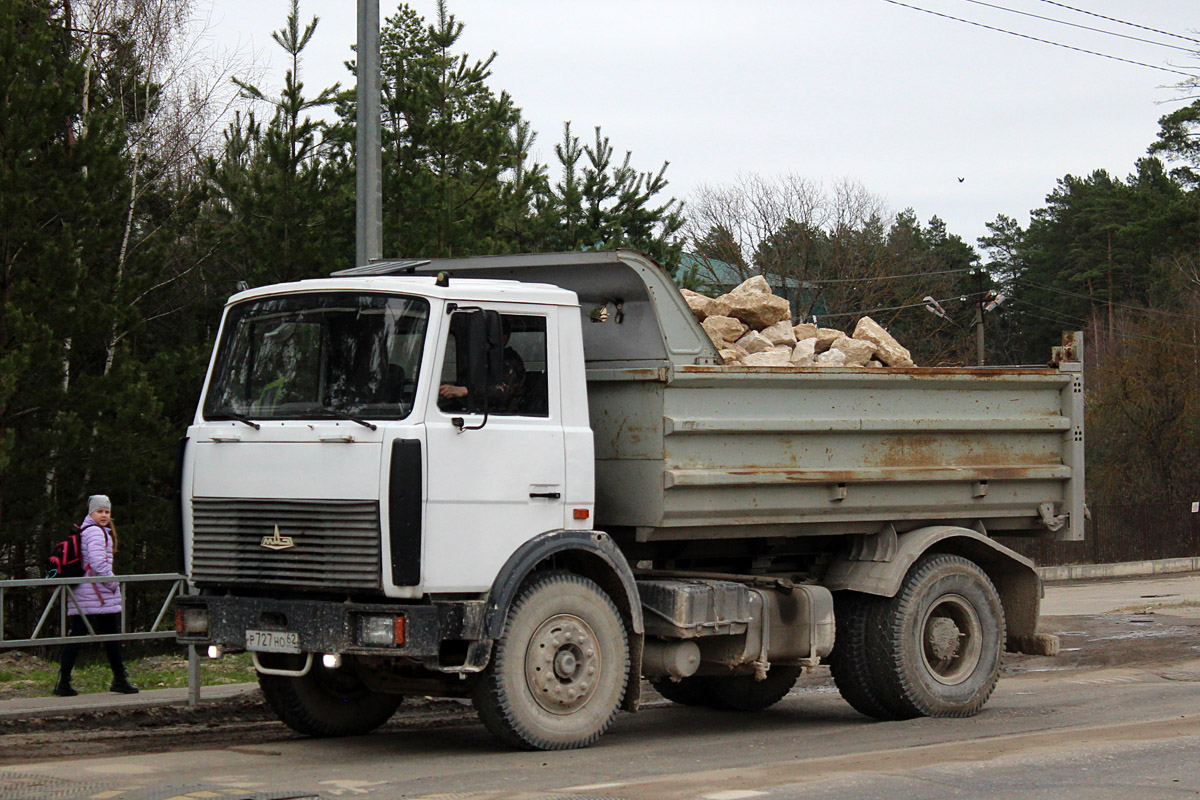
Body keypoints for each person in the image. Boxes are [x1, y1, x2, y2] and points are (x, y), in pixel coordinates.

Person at [54, 495, 139, 696]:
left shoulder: (91, 530)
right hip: (96, 592)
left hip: (89, 592)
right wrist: (113, 584)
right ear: (91, 513)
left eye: (107, 512)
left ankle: (65, 681)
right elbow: (98, 563)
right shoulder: (95, 532)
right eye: (100, 511)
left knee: (89, 636)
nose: (104, 515)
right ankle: (118, 679)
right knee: (106, 636)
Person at [438, 321, 526, 413]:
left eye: (486, 337)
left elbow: (502, 392)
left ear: (503, 339)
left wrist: (466, 391)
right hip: (481, 411)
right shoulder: (486, 359)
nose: (481, 342)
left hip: (501, 416)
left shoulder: (511, 361)